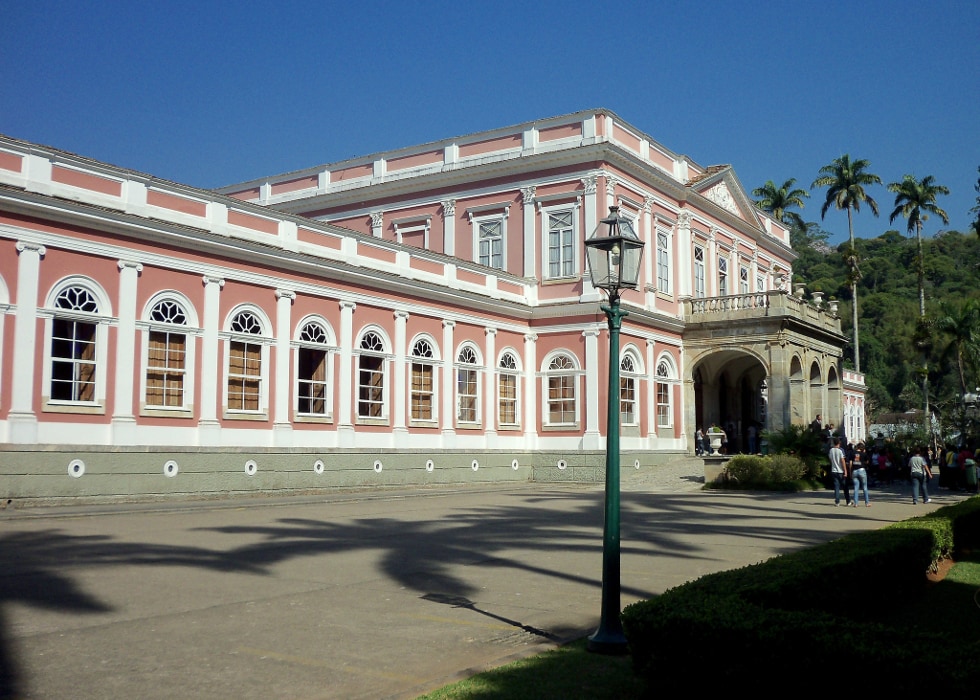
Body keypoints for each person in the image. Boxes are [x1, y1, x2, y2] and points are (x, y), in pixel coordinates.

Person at [828, 437, 848, 507]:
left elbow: (830, 459)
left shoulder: (831, 450)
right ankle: (848, 501)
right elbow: (843, 461)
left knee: (836, 487)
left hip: (833, 470)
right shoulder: (840, 451)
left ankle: (837, 502)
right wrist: (845, 471)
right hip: (840, 471)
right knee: (845, 486)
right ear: (839, 443)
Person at [849, 442, 871, 507]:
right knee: (864, 487)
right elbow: (867, 462)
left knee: (856, 487)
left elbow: (850, 463)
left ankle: (856, 503)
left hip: (854, 471)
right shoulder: (864, 454)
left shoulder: (852, 453)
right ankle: (867, 502)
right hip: (861, 470)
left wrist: (850, 472)